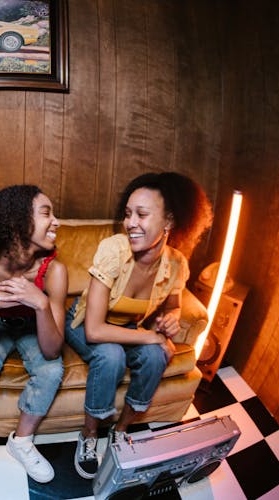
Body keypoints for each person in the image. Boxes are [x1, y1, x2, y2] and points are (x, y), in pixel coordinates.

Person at [65, 172, 213, 479]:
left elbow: (173, 304)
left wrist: (170, 319)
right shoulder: (113, 250)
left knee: (158, 355)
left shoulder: (176, 264)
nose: (131, 222)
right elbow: (94, 330)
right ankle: (90, 435)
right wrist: (152, 336)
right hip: (84, 322)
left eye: (142, 215)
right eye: (128, 214)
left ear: (169, 222)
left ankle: (121, 430)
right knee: (111, 355)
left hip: (127, 329)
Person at [0, 185, 68, 490]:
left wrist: (42, 304)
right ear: (18, 221)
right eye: (47, 213)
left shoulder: (55, 271)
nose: (56, 222)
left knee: (52, 370)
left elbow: (51, 351)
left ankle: (21, 441)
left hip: (34, 325)